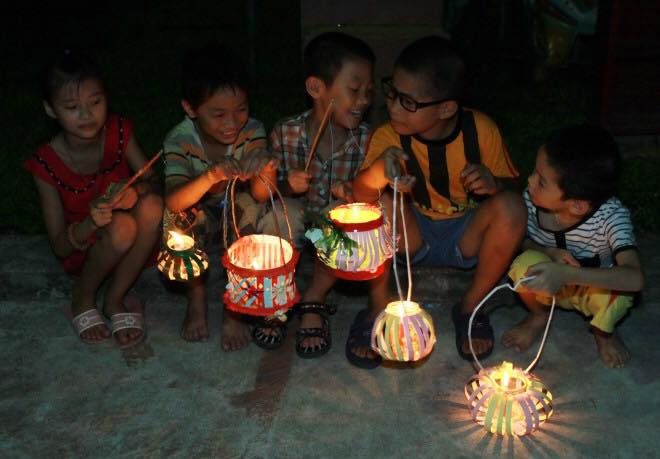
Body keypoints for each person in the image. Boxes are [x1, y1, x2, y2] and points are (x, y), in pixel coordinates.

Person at [352, 36, 526, 364]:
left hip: (466, 234)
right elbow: (359, 196)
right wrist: (380, 173)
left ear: (446, 107)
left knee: (512, 207)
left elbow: (514, 187)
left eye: (408, 101)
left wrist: (495, 182)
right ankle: (377, 307)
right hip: (412, 233)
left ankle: (471, 307)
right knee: (380, 203)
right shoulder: (389, 135)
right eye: (392, 92)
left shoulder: (481, 130)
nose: (392, 106)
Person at [25, 49, 163, 348]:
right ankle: (83, 297)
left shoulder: (120, 133)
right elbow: (61, 246)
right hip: (87, 250)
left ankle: (115, 298)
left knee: (152, 206)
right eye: (72, 106)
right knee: (122, 226)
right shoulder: (46, 163)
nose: (86, 115)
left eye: (95, 102)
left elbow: (152, 181)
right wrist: (90, 223)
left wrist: (134, 190)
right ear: (51, 109)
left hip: (132, 246)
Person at [162, 42, 277, 351]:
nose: (232, 122)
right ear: (190, 108)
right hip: (199, 212)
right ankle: (196, 297)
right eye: (218, 114)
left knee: (249, 207)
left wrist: (265, 167)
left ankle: (235, 306)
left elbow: (261, 194)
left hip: (236, 215)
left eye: (241, 109)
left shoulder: (252, 132)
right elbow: (173, 199)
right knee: (179, 218)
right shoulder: (179, 140)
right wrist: (210, 176)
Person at [270, 32, 376, 359]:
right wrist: (288, 185)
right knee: (279, 213)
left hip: (327, 234)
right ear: (317, 89)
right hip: (295, 228)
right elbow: (269, 195)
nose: (363, 101)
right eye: (354, 91)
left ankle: (314, 302)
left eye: (368, 92)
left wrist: (351, 193)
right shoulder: (286, 133)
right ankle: (274, 300)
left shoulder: (367, 141)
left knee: (338, 218)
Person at [503, 124, 644, 368]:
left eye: (542, 181)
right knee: (520, 266)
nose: (530, 180)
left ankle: (603, 333)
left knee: (621, 296)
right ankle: (539, 315)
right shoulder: (531, 200)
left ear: (577, 205)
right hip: (548, 285)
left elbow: (635, 278)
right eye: (535, 172)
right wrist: (547, 252)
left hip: (592, 291)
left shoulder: (611, 217)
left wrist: (567, 274)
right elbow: (521, 241)